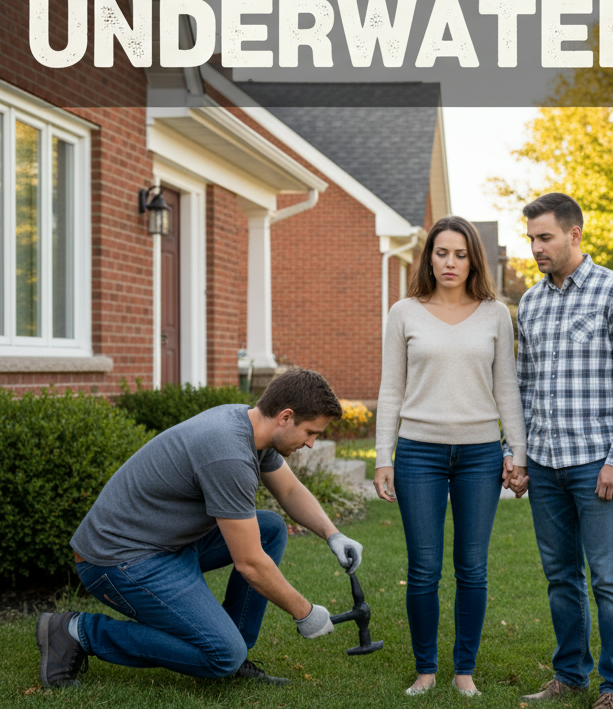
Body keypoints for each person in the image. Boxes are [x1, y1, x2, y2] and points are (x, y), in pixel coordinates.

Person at [38, 368, 360, 689]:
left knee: (270, 528)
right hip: (118, 560)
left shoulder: (249, 425)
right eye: (310, 432)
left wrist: (334, 534)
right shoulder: (228, 453)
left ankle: (235, 653)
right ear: (285, 417)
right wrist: (304, 612)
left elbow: (289, 491)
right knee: (221, 653)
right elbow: (250, 564)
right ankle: (76, 631)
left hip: (166, 543)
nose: (312, 444)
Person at [372, 216, 527, 698]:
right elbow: (391, 388)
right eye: (442, 253)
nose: (451, 262)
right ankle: (425, 669)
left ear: (473, 259)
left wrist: (516, 452)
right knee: (423, 567)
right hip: (419, 453)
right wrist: (383, 456)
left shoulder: (495, 314)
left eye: (460, 254)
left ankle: (464, 671)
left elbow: (507, 389)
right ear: (429, 257)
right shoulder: (404, 312)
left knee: (472, 566)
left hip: (481, 454)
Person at [507, 192, 613, 709]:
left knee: (610, 578)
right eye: (531, 240)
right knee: (560, 577)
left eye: (544, 238)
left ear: (574, 235)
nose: (535, 249)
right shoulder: (530, 302)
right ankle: (569, 675)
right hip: (544, 466)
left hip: (597, 464)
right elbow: (521, 387)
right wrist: (516, 455)